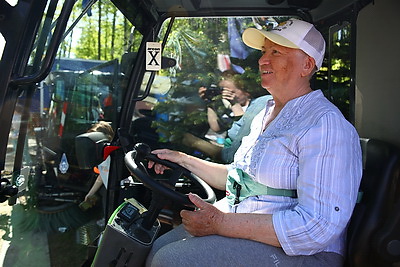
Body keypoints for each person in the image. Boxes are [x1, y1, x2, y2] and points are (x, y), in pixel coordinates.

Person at [145, 18, 363, 266]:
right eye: (263, 51)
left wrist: (219, 223)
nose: (262, 60)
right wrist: (182, 160)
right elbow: (240, 179)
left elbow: (316, 227)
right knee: (156, 247)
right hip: (247, 229)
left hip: (306, 253)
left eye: (276, 52)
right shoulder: (265, 113)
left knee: (170, 260)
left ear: (307, 64)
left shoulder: (325, 125)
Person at [82, 121, 114, 209]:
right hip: (110, 191)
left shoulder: (113, 155)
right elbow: (102, 175)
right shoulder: (99, 155)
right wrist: (90, 193)